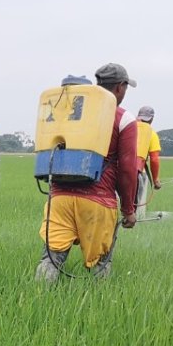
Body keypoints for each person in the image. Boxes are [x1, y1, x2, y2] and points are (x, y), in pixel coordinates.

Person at [35, 63, 139, 282]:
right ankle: (99, 308)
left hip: (59, 199)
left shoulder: (66, 112)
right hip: (97, 202)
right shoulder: (123, 118)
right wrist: (129, 209)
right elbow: (128, 169)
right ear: (120, 87)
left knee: (51, 260)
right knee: (100, 265)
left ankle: (35, 303)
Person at [134, 105, 163, 218]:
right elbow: (154, 159)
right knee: (135, 206)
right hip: (136, 172)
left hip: (115, 169)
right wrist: (155, 179)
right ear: (151, 119)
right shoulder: (151, 133)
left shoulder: (127, 126)